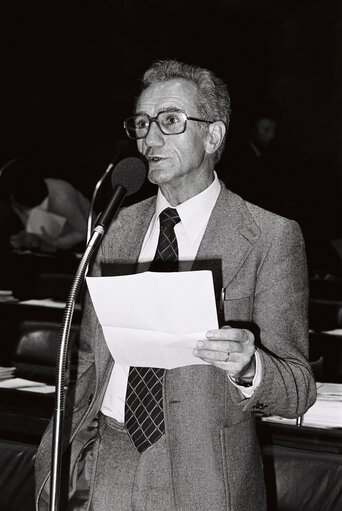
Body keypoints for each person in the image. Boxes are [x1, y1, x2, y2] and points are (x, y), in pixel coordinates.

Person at [35, 60, 316, 511]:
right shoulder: (115, 228)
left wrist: (249, 368)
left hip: (206, 475)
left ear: (213, 136)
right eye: (142, 123)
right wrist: (65, 454)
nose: (149, 138)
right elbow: (88, 357)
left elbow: (298, 388)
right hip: (109, 462)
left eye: (169, 121)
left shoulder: (269, 236)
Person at [2, 159, 90, 252]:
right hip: (51, 233)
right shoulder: (18, 197)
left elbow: (83, 231)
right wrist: (27, 237)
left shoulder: (63, 202)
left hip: (81, 230)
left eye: (22, 209)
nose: (18, 209)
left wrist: (56, 242)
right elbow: (32, 226)